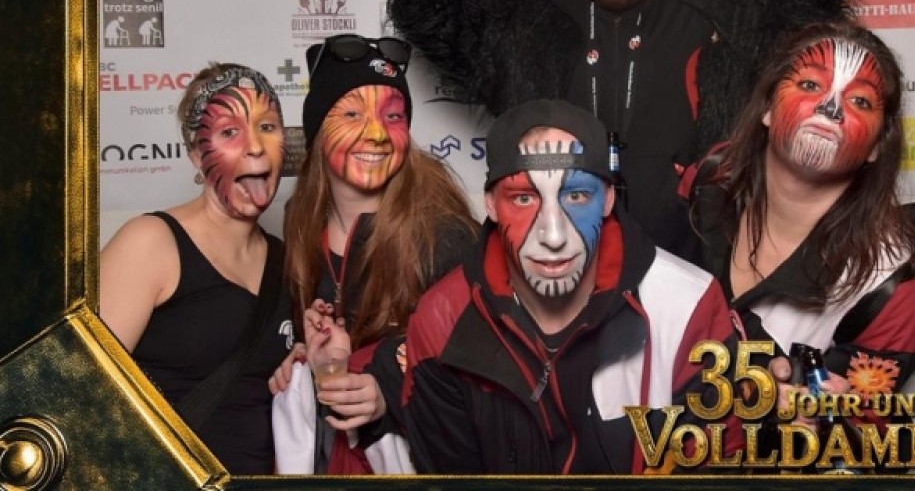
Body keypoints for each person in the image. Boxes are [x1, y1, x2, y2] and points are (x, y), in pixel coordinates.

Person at [388, 0, 848, 264]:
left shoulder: (707, 14)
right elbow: (422, 8)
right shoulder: (529, 23)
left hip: (689, 266)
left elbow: (811, 13)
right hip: (556, 267)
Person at [401, 99, 744, 474]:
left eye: (576, 196)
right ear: (492, 206)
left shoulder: (687, 305)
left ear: (608, 200)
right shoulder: (442, 320)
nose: (553, 236)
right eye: (524, 198)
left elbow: (715, 471)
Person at [686, 20, 915, 469]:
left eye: (859, 100)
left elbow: (857, 447)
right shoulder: (708, 181)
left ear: (877, 146)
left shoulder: (895, 289)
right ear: (767, 109)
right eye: (809, 85)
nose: (830, 107)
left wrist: (827, 420)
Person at [270, 34, 478, 474]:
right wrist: (305, 358)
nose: (378, 133)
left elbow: (478, 361)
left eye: (393, 116)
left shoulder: (444, 233)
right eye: (352, 114)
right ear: (317, 128)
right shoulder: (299, 221)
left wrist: (388, 388)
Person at [99, 63, 292, 474]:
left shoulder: (289, 262)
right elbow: (79, 389)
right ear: (196, 155)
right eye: (229, 132)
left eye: (267, 127)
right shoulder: (151, 242)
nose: (255, 147)